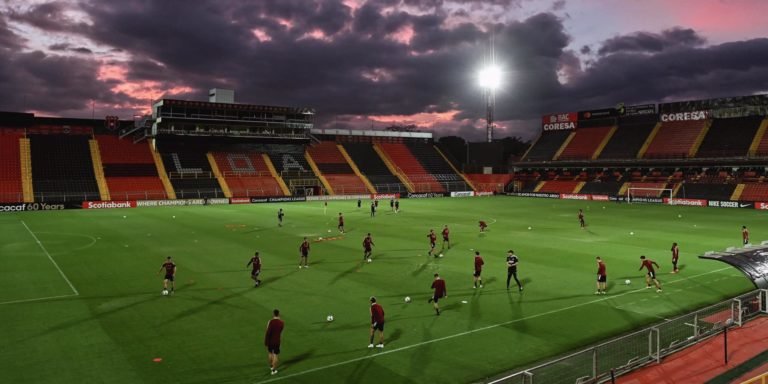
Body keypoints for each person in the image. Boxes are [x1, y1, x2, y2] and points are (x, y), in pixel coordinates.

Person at [265, 309, 285, 375]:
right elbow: (281, 332)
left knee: (270, 353)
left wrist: (266, 341)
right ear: (278, 314)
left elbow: (267, 331)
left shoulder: (270, 321)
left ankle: (271, 366)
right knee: (275, 355)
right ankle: (273, 370)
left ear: (273, 314)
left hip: (270, 340)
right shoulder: (282, 322)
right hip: (277, 341)